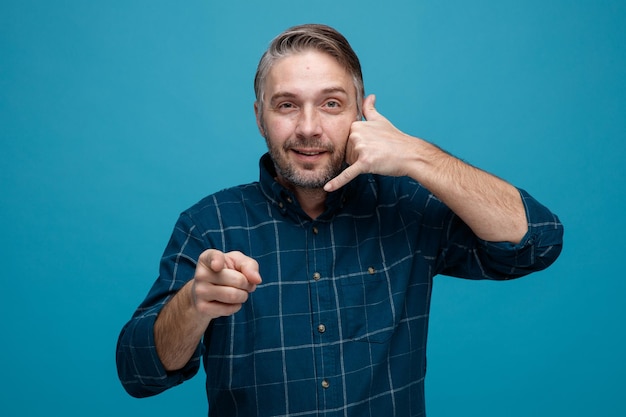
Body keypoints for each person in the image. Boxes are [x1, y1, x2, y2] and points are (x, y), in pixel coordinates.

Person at [116, 23, 563, 416]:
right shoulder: (209, 222)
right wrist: (193, 304)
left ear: (360, 113)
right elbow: (140, 374)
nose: (308, 128)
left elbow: (536, 243)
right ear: (259, 118)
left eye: (331, 104)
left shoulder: (406, 207)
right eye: (286, 105)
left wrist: (417, 156)